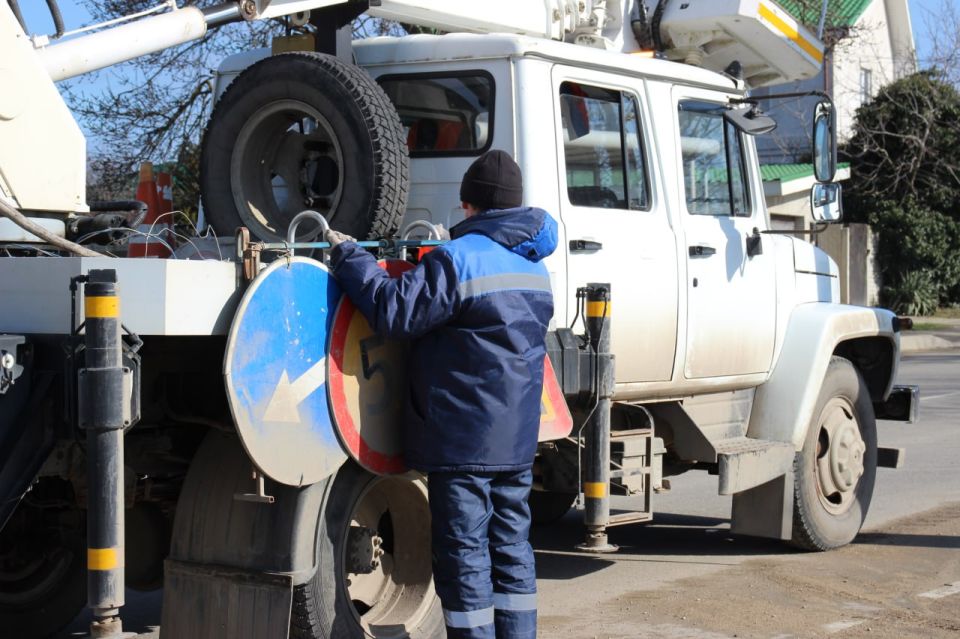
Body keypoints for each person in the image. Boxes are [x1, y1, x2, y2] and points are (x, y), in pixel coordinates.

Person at [325, 149, 557, 639]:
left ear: (470, 206)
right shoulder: (535, 269)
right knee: (512, 549)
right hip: (515, 443)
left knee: (465, 557)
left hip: (462, 443)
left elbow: (394, 311)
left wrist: (351, 258)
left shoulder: (458, 260)